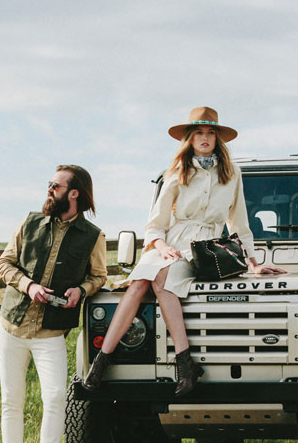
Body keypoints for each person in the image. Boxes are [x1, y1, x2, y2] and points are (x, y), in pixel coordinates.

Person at [82, 107, 285, 394]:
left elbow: (238, 222)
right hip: (170, 242)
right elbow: (156, 224)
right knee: (139, 282)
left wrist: (253, 263)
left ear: (217, 138)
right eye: (199, 133)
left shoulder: (231, 172)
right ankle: (103, 361)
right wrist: (162, 247)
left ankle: (183, 360)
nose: (204, 138)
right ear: (189, 139)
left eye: (210, 133)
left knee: (161, 281)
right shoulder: (176, 172)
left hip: (204, 247)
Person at [0, 165, 108, 443]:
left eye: (54, 185)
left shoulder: (93, 235)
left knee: (56, 396)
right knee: (11, 400)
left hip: (51, 331)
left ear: (73, 193)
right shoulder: (29, 223)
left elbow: (99, 276)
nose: (48, 189)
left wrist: (81, 290)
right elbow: (4, 264)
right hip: (13, 324)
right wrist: (27, 285)